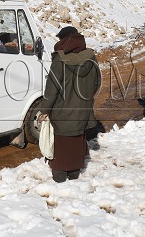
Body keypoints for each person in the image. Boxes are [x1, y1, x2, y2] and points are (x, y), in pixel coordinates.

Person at [38, 26, 100, 182]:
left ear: (65, 40)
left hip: (63, 110)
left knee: (62, 142)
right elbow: (96, 82)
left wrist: (44, 109)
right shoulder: (90, 57)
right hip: (82, 109)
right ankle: (74, 172)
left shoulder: (60, 59)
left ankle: (60, 174)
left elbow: (52, 88)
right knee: (77, 140)